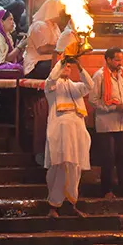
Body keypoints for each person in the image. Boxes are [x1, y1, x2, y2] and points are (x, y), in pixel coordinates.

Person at [44, 57, 93, 218]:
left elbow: (90, 86)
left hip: (78, 130)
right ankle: (53, 206)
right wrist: (61, 62)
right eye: (64, 67)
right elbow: (52, 77)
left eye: (69, 67)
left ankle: (72, 203)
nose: (67, 69)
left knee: (75, 167)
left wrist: (80, 67)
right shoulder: (52, 86)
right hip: (61, 131)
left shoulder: (76, 87)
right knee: (60, 166)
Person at [89, 47, 123, 198]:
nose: (119, 63)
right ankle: (106, 190)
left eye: (121, 59)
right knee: (107, 158)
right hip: (106, 124)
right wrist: (115, 108)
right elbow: (93, 101)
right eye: (116, 60)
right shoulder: (99, 76)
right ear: (108, 60)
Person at [23, 0, 63, 79]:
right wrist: (63, 47)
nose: (62, 14)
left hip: (50, 62)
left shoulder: (55, 27)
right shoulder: (39, 25)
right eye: (60, 11)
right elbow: (43, 49)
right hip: (36, 66)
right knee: (61, 66)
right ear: (52, 11)